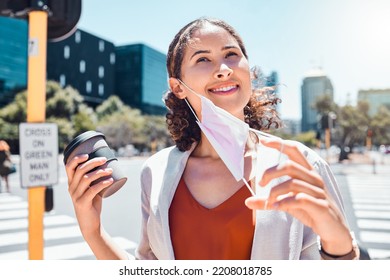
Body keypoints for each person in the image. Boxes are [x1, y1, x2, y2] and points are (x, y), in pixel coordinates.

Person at [65, 17, 359, 260]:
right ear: (177, 87)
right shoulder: (155, 172)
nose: (223, 69)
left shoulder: (302, 163)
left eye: (232, 55)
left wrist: (340, 242)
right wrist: (94, 232)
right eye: (203, 59)